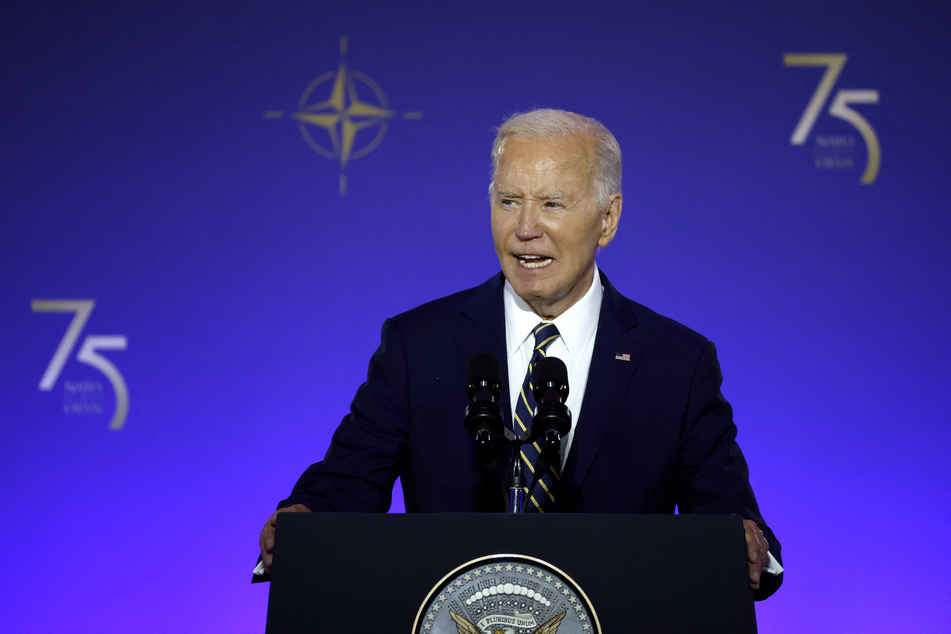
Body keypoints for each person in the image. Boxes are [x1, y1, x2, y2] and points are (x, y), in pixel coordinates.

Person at [259, 109, 783, 599]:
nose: (525, 227)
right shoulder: (419, 345)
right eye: (509, 201)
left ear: (608, 218)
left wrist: (744, 543)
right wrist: (303, 519)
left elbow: (726, 515)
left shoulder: (676, 362)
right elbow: (346, 486)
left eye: (552, 203)